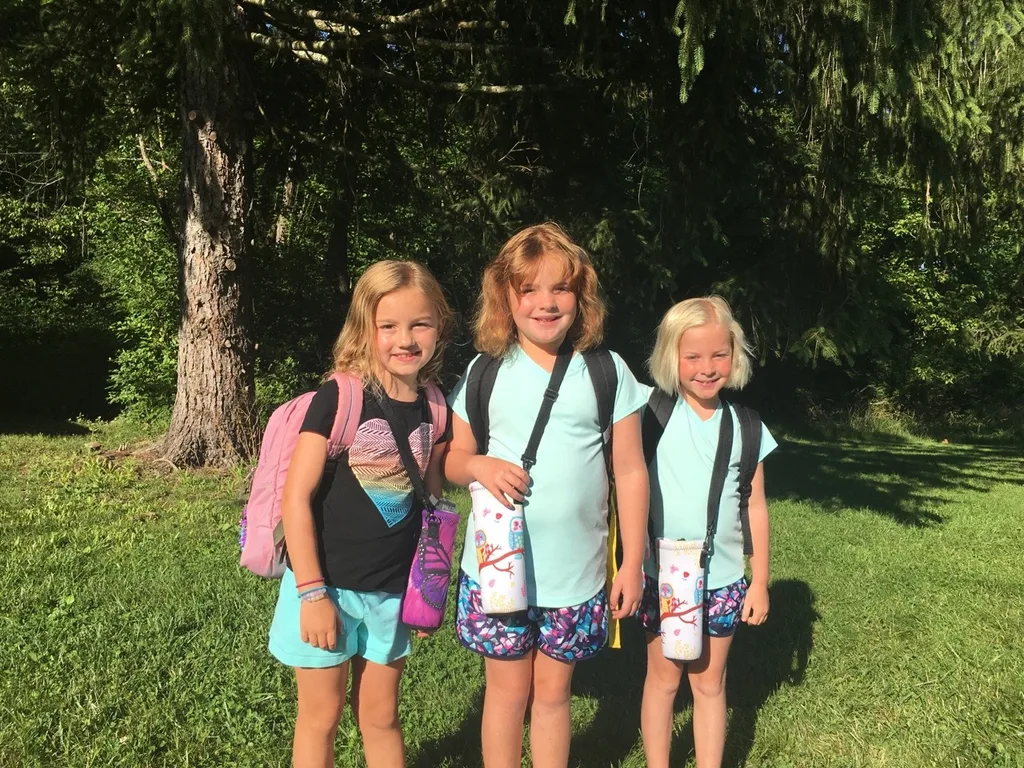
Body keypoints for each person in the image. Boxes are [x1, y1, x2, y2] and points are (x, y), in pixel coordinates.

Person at [444, 223, 649, 768]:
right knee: (507, 693)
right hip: (498, 570)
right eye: (529, 289)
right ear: (505, 298)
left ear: (581, 297)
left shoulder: (606, 371)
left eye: (561, 288)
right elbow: (452, 459)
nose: (546, 302)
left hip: (576, 575)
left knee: (554, 695)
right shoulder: (486, 371)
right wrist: (479, 464)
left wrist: (632, 562)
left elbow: (630, 471)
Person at [268, 260, 453, 768]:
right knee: (320, 718)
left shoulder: (436, 407)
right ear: (364, 328)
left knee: (382, 717)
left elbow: (432, 510)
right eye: (387, 325)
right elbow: (296, 498)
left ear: (439, 325)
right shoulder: (340, 397)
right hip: (324, 587)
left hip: (391, 593)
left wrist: (427, 592)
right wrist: (312, 596)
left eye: (420, 324)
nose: (405, 339)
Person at [638, 296, 776, 768]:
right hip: (661, 576)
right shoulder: (648, 415)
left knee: (710, 682)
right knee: (663, 680)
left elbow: (755, 505)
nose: (707, 368)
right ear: (670, 357)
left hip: (724, 579)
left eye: (719, 354)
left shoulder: (747, 426)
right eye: (692, 356)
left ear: (735, 356)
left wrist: (760, 581)